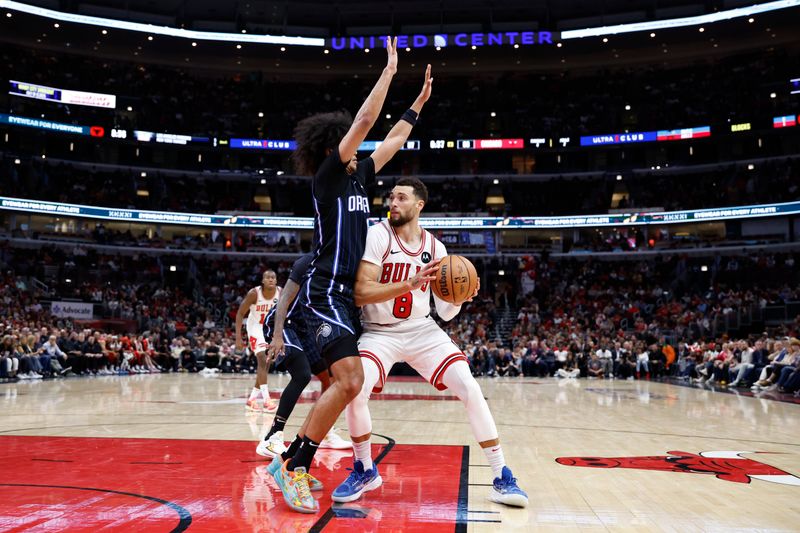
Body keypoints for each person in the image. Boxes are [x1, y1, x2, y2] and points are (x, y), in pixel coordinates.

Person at [272, 37, 428, 514]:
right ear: (333, 147)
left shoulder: (361, 176)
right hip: (322, 289)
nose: (361, 148)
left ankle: (292, 460)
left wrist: (416, 106)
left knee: (348, 383)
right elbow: (364, 122)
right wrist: (388, 72)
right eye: (352, 145)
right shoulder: (328, 177)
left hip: (347, 295)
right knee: (349, 379)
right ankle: (295, 467)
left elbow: (393, 139)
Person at [332, 176, 528, 508]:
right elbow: (361, 293)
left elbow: (447, 314)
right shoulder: (378, 234)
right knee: (355, 388)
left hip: (422, 330)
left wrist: (462, 297)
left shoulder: (436, 248)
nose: (393, 203)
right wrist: (409, 284)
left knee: (469, 387)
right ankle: (364, 468)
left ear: (419, 205)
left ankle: (501, 476)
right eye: (391, 198)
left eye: (401, 198)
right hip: (379, 332)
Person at [258, 254, 351, 460]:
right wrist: (277, 334)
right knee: (302, 374)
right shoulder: (308, 262)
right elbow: (283, 299)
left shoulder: (342, 266)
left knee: (331, 379)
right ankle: (272, 436)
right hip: (283, 324)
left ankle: (324, 431)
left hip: (306, 328)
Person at [235, 270, 281, 412]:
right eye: (267, 277)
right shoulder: (254, 294)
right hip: (255, 327)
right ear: (262, 280)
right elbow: (240, 313)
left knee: (266, 364)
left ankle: (251, 400)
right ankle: (267, 401)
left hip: (269, 328)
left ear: (276, 280)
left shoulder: (281, 292)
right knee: (262, 359)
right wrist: (238, 337)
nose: (271, 279)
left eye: (273, 277)